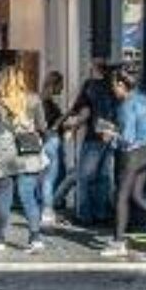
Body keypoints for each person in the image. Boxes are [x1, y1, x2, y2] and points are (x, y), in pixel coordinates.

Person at [99, 67, 146, 257]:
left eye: (113, 85)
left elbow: (127, 138)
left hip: (132, 155)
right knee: (137, 196)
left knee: (121, 197)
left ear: (121, 84)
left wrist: (109, 136)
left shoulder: (126, 105)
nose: (113, 90)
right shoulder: (143, 98)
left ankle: (118, 243)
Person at [0, 65, 48, 252]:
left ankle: (0, 238)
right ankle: (35, 237)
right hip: (28, 151)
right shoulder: (34, 99)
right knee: (28, 195)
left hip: (5, 152)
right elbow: (42, 126)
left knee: (4, 195)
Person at [62, 58, 118, 226]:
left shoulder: (90, 85)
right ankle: (102, 213)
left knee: (84, 176)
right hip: (110, 135)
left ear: (94, 69)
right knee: (103, 176)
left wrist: (72, 126)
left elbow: (84, 111)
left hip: (94, 136)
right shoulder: (113, 86)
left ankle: (84, 214)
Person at [38, 70, 67, 226]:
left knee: (47, 178)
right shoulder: (46, 102)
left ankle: (47, 209)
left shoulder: (42, 99)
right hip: (51, 141)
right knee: (50, 178)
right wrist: (62, 120)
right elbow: (48, 125)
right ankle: (47, 210)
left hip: (46, 141)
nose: (62, 88)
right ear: (54, 84)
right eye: (60, 85)